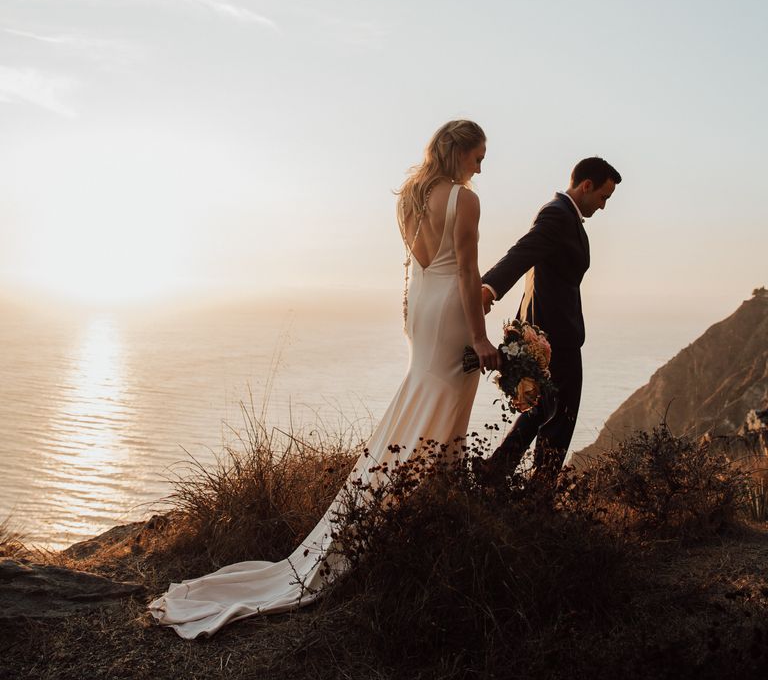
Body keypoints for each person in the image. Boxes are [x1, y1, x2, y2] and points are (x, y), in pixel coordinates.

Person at [149, 119, 501, 639]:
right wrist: (481, 337)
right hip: (451, 309)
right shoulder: (464, 201)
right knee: (448, 399)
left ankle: (416, 496)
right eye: (479, 154)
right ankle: (433, 504)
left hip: (423, 310)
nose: (482, 165)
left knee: (424, 392)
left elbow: (420, 262)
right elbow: (468, 271)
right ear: (460, 150)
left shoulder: (409, 195)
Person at [478, 157, 621, 486]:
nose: (603, 206)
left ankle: (494, 471)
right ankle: (539, 496)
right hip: (555, 336)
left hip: (547, 331)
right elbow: (522, 252)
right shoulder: (557, 214)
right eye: (603, 197)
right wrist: (488, 289)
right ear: (586, 185)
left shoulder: (566, 216)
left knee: (542, 409)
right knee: (562, 416)